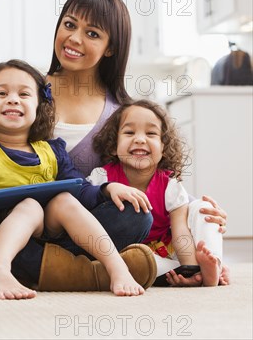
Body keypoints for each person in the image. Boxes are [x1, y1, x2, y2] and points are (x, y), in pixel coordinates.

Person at [47, 0, 230, 285]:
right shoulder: (27, 93)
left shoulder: (121, 113)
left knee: (135, 215)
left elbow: (150, 179)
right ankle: (78, 269)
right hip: (40, 218)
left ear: (110, 48)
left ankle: (193, 268)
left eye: (92, 33)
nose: (75, 39)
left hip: (101, 225)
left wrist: (203, 212)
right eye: (69, 25)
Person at [0, 59, 154, 299]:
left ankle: (116, 267)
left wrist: (108, 188)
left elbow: (81, 190)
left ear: (39, 105)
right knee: (27, 205)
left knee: (68, 200)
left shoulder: (52, 150)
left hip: (47, 228)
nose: (13, 99)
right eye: (2, 93)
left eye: (24, 94)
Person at [90, 99, 225, 287]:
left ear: (163, 147)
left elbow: (181, 233)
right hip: (133, 255)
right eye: (129, 132)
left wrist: (189, 266)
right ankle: (193, 274)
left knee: (204, 207)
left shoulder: (170, 186)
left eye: (151, 133)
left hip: (170, 251)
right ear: (114, 145)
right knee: (138, 261)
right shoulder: (102, 178)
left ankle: (211, 266)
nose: (139, 139)